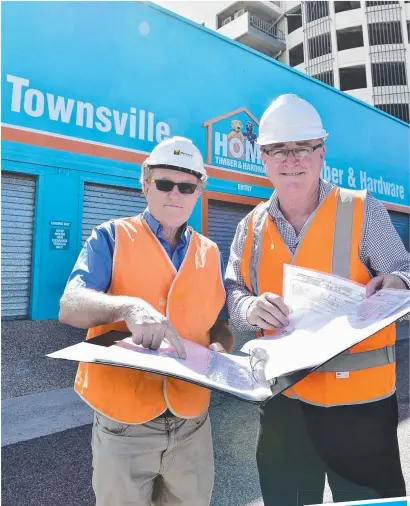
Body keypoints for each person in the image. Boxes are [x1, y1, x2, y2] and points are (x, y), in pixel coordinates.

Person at [225, 94, 410, 505]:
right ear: (263, 158)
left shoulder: (363, 210)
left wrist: (396, 283)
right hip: (283, 404)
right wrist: (247, 307)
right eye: (278, 150)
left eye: (302, 148)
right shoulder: (250, 226)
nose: (291, 160)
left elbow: (406, 274)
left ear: (321, 153)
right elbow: (233, 291)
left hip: (361, 404)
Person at [59, 136, 234, 506]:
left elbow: (219, 323)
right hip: (124, 423)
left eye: (186, 186)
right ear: (145, 183)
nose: (175, 194)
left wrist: (220, 349)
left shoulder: (210, 252)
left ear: (198, 191)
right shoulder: (111, 237)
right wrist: (128, 308)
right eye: (164, 183)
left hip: (192, 423)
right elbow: (70, 306)